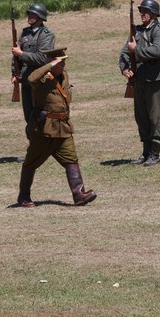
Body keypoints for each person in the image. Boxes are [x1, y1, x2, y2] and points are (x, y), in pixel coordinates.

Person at [17, 48, 96, 207]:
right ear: (52, 63)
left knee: (71, 160)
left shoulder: (64, 75)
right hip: (44, 130)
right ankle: (24, 197)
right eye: (60, 62)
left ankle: (79, 194)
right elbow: (31, 78)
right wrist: (49, 65)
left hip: (63, 128)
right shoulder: (43, 77)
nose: (63, 65)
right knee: (31, 162)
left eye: (64, 62)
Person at [119, 0, 160, 166]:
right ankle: (146, 151)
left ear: (154, 14)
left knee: (155, 116)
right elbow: (125, 52)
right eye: (141, 11)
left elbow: (158, 50)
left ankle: (155, 152)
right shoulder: (137, 31)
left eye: (145, 11)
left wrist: (137, 50)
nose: (142, 14)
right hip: (139, 78)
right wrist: (125, 68)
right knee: (141, 117)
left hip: (155, 78)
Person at [11, 3, 55, 158]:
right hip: (25, 81)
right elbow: (15, 57)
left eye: (33, 15)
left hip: (38, 81)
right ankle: (34, 149)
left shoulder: (46, 35)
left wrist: (21, 53)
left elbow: (42, 58)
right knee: (28, 116)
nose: (30, 17)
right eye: (29, 14)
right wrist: (14, 73)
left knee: (39, 115)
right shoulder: (25, 33)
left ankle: (43, 148)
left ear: (41, 17)